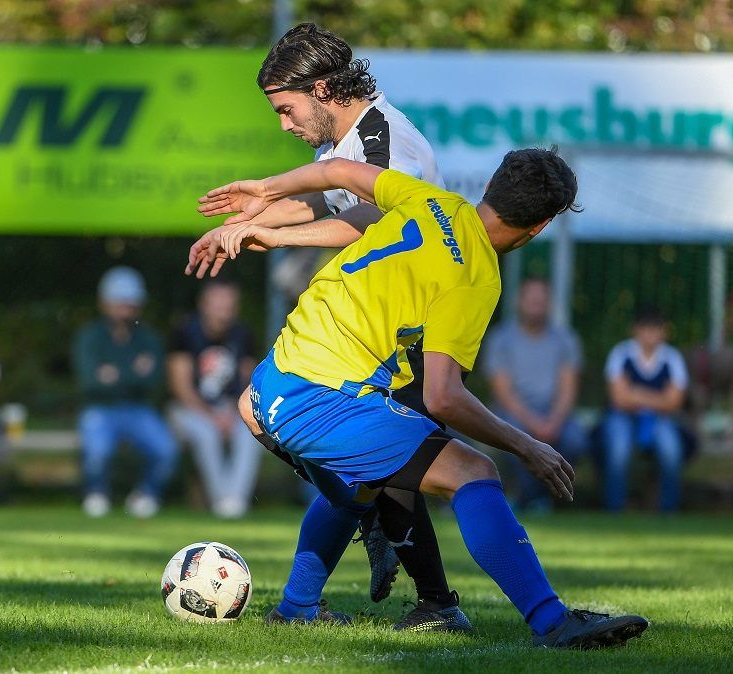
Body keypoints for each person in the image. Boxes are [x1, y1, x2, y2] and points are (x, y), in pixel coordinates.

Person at [197, 149, 649, 648]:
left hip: (279, 375)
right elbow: (444, 398)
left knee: (360, 487)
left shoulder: (433, 200)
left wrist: (266, 188)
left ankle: (296, 607)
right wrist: (529, 447)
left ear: (492, 186)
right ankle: (552, 622)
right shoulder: (477, 274)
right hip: (321, 397)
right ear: (539, 227)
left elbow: (336, 170)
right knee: (474, 472)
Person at [187, 23, 471, 632]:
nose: (285, 125)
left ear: (321, 89)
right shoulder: (344, 142)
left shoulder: (388, 140)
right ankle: (327, 594)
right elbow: (320, 201)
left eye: (287, 111)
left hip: (405, 338)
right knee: (329, 449)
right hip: (363, 331)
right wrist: (248, 219)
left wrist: (270, 233)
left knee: (367, 461)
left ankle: (429, 601)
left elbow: (371, 224)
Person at [72, 266, 178, 519]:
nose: (126, 307)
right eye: (119, 301)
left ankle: (146, 494)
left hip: (138, 407)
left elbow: (154, 381)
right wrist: (133, 373)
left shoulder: (148, 337)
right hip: (99, 408)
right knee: (97, 448)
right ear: (105, 302)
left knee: (166, 448)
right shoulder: (89, 336)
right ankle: (95, 493)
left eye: (130, 302)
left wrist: (113, 374)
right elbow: (89, 382)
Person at [485, 278, 588, 512]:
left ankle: (543, 499)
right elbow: (503, 393)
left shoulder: (566, 339)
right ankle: (531, 500)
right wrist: (533, 424)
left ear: (549, 304)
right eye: (531, 300)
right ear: (519, 302)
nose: (536, 305)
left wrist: (553, 422)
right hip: (512, 413)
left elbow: (568, 389)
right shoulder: (500, 339)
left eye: (541, 300)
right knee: (513, 435)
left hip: (554, 414)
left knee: (576, 440)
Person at [167, 280, 262, 519]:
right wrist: (213, 417)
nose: (224, 309)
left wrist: (233, 413)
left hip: (230, 409)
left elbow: (248, 384)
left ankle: (234, 502)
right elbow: (181, 388)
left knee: (251, 434)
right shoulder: (185, 332)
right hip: (187, 409)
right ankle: (223, 501)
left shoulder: (243, 334)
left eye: (229, 304)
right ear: (204, 305)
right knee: (206, 434)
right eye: (218, 303)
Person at [602, 308, 689, 513]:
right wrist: (658, 398)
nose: (650, 334)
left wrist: (635, 393)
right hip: (623, 417)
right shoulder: (621, 354)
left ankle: (669, 509)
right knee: (618, 448)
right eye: (646, 328)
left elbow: (674, 403)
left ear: (664, 331)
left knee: (671, 449)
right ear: (635, 330)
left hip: (660, 420)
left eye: (656, 328)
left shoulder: (672, 358)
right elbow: (618, 399)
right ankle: (614, 508)